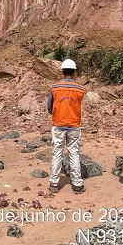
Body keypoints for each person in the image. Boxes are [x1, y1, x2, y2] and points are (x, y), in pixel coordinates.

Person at [47, 59, 85, 194]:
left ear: (62, 71)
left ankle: (54, 183)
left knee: (57, 153)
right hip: (74, 125)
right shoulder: (80, 89)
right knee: (74, 153)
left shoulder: (54, 87)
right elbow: (77, 104)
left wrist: (57, 113)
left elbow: (49, 107)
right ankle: (77, 185)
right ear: (74, 72)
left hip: (58, 124)